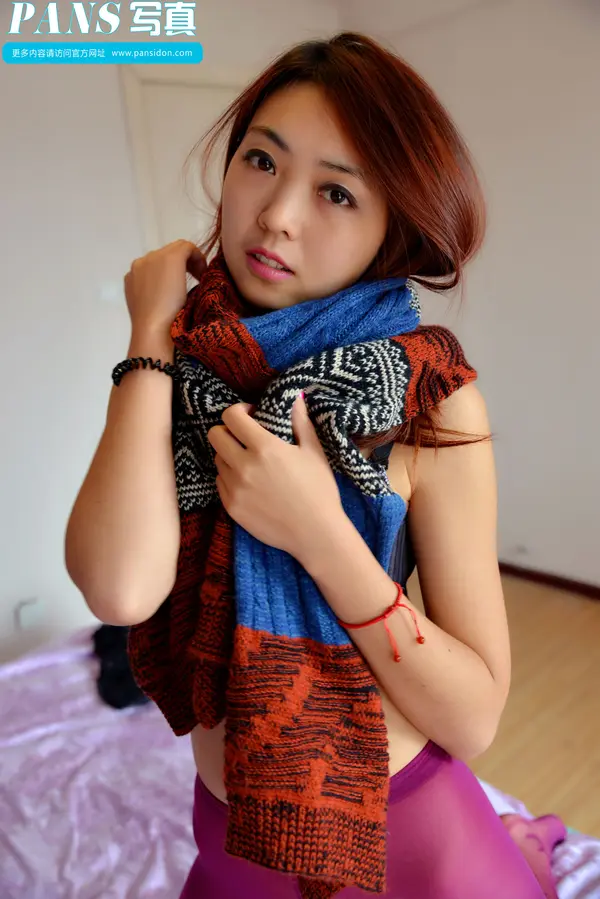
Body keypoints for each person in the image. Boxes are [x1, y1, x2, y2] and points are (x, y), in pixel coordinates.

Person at [65, 32, 550, 899]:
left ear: (394, 228)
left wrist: (321, 534)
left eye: (336, 191)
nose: (278, 214)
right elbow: (119, 589)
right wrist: (147, 337)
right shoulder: (178, 366)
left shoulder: (430, 398)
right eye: (261, 159)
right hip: (231, 838)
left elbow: (475, 716)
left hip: (407, 836)